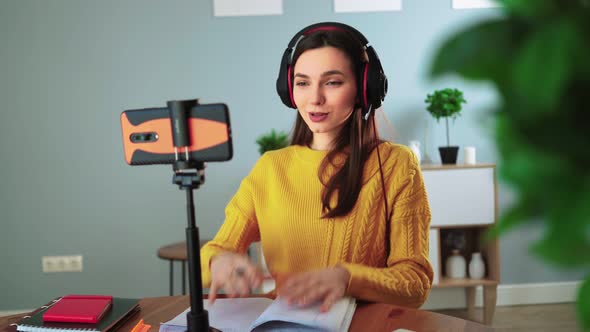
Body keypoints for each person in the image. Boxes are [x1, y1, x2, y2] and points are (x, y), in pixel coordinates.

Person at [200, 22, 433, 312]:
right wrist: (219, 262)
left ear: (364, 88)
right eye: (302, 82)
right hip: (283, 324)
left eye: (332, 82)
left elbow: (415, 283)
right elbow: (217, 249)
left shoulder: (397, 165)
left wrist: (346, 278)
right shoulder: (270, 168)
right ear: (289, 89)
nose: (315, 98)